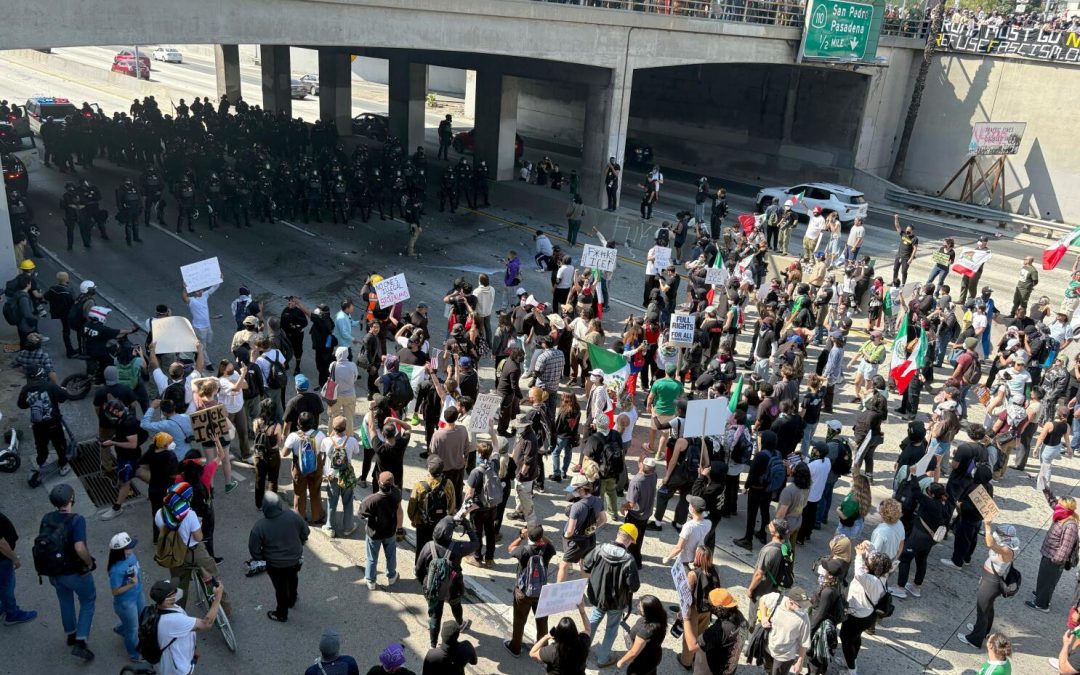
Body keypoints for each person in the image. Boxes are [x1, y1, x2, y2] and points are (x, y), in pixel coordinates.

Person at [38, 483, 96, 661]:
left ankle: (71, 634)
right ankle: (80, 642)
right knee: (88, 600)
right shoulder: (77, 520)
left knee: (65, 600)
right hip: (75, 572)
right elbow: (79, 547)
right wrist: (89, 563)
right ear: (71, 499)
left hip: (54, 571)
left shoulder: (47, 518)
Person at [415, 515, 480, 649]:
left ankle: (433, 645)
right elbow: (476, 544)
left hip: (432, 587)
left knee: (435, 616)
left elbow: (418, 570)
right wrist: (468, 526)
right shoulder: (458, 547)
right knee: (456, 605)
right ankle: (461, 623)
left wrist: (428, 584)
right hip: (452, 587)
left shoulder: (428, 546)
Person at [583, 525, 641, 668]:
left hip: (598, 598)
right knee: (611, 629)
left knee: (592, 622)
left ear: (618, 533)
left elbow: (586, 565)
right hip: (616, 603)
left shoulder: (599, 549)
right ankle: (603, 659)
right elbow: (634, 586)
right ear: (629, 540)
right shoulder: (629, 560)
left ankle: (582, 652)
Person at [248, 490, 310, 622]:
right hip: (295, 560)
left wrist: (262, 557)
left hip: (275, 565)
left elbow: (254, 550)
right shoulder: (293, 515)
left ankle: (281, 614)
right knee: (293, 578)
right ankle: (292, 599)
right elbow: (306, 532)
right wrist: (299, 542)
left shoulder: (259, 527)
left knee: (280, 588)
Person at [958, 521, 1019, 649]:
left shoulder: (1007, 550)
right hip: (989, 579)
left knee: (982, 610)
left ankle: (974, 639)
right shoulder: (1007, 544)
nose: (997, 534)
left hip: (992, 582)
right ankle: (984, 631)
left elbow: (989, 543)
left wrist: (987, 526)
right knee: (988, 608)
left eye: (1000, 533)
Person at [148, 577, 224, 675]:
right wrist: (217, 597)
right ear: (166, 600)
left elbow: (182, 633)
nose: (177, 590)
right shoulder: (172, 620)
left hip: (181, 656)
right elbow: (206, 623)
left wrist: (192, 649)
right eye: (174, 590)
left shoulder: (165, 608)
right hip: (179, 670)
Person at [504, 524, 557, 656]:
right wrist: (541, 535)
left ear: (530, 537)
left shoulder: (524, 551)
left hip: (523, 592)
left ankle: (515, 648)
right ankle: (541, 650)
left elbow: (510, 548)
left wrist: (522, 536)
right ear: (540, 537)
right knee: (542, 622)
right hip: (541, 592)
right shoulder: (548, 549)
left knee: (519, 620)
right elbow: (551, 544)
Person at [841, 546, 894, 674]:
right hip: (868, 616)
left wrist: (859, 555)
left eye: (869, 561)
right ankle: (852, 660)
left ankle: (852, 670)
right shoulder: (882, 576)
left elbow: (859, 573)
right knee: (856, 637)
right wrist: (867, 548)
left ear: (875, 568)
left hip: (858, 616)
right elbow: (872, 561)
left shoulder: (871, 580)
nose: (867, 561)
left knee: (846, 639)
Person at [896, 482, 952, 599]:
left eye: (929, 490)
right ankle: (916, 587)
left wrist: (913, 475)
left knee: (905, 558)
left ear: (931, 494)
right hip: (930, 540)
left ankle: (900, 588)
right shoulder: (945, 505)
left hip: (918, 536)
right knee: (921, 561)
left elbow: (916, 491)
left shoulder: (929, 503)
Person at [1029, 489, 1080, 612]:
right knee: (1043, 578)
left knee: (1048, 581)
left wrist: (1055, 560)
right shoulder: (1063, 514)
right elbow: (1053, 502)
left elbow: (1065, 547)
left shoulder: (1070, 525)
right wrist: (1046, 489)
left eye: (1060, 504)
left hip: (1054, 559)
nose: (1057, 505)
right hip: (1048, 554)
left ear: (1065, 508)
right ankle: (1041, 595)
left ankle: (1042, 604)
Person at [17, 366, 73, 474]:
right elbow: (63, 398)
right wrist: (63, 391)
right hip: (53, 423)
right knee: (60, 445)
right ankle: (63, 466)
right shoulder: (50, 386)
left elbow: (21, 405)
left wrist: (31, 401)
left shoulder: (26, 389)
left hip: (38, 425)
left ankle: (41, 463)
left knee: (41, 446)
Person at [680, 586, 748, 675]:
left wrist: (686, 619)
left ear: (716, 609)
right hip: (727, 669)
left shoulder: (718, 630)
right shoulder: (740, 617)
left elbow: (692, 647)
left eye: (709, 604)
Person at [359, 472, 404, 590]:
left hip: (374, 534)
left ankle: (370, 580)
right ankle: (392, 576)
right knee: (391, 555)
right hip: (390, 532)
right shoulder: (397, 494)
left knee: (372, 557)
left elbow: (361, 514)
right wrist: (399, 528)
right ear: (393, 483)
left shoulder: (370, 500)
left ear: (379, 483)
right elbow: (399, 510)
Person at [106, 531, 144, 663]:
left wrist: (136, 585)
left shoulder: (130, 555)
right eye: (129, 547)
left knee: (140, 618)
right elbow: (115, 591)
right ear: (121, 551)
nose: (132, 548)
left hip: (137, 594)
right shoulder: (116, 570)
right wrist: (132, 584)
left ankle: (121, 628)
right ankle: (134, 654)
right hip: (126, 603)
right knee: (133, 630)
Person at [282, 411, 327, 524]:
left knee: (299, 493)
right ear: (313, 423)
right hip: (316, 466)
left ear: (299, 423)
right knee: (315, 491)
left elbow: (284, 453)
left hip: (299, 467)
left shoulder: (293, 436)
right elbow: (324, 451)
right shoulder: (320, 435)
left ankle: (299, 517)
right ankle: (317, 516)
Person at [408, 456, 457, 557]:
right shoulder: (448, 484)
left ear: (429, 469)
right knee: (439, 548)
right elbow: (452, 506)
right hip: (441, 522)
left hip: (422, 522)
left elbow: (411, 507)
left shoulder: (419, 486)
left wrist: (413, 519)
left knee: (421, 548)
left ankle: (419, 570)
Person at [756, 586, 812, 675]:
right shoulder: (777, 599)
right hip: (768, 648)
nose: (803, 609)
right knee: (768, 669)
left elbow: (804, 643)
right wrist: (763, 617)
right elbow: (762, 600)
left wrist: (800, 662)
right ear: (790, 602)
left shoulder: (804, 619)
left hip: (785, 656)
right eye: (801, 606)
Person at [746, 519, 793, 619]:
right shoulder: (787, 546)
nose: (769, 524)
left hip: (762, 593)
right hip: (775, 592)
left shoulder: (769, 551)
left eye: (772, 525)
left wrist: (750, 589)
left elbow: (759, 574)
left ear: (776, 533)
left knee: (755, 619)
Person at [322, 415, 359, 538]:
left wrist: (331, 435)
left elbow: (323, 452)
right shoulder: (352, 440)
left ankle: (330, 527)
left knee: (332, 501)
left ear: (333, 427)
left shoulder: (327, 441)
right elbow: (357, 452)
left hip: (332, 476)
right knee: (348, 501)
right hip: (346, 475)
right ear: (345, 428)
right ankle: (348, 527)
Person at [0, 508, 36, 626]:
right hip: (2, 559)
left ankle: (3, 606)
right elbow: (1, 544)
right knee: (7, 586)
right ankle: (12, 614)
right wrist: (14, 558)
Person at [617, 594, 667, 674]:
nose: (638, 608)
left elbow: (633, 653)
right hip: (654, 657)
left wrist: (621, 661)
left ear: (648, 612)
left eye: (640, 607)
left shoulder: (646, 631)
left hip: (642, 662)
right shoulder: (660, 617)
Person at [622, 458, 658, 568]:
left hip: (635, 516)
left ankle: (635, 562)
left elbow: (632, 503)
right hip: (646, 513)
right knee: (640, 536)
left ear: (642, 466)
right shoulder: (654, 475)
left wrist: (623, 506)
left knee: (631, 539)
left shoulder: (636, 481)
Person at [530, 610, 592, 674]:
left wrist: (546, 637)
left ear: (558, 633)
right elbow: (588, 629)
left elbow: (532, 653)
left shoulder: (552, 651)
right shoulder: (583, 643)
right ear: (575, 631)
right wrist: (582, 612)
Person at [327, 347, 359, 437]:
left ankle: (331, 435)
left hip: (335, 395)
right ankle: (349, 437)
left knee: (333, 416)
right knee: (349, 417)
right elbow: (355, 378)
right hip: (350, 395)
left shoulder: (333, 364)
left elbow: (330, 374)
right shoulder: (352, 365)